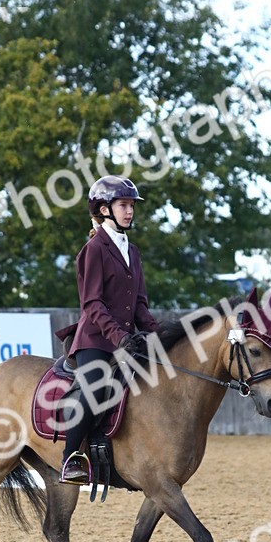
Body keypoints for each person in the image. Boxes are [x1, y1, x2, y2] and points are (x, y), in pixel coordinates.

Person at [59, 175, 158, 485]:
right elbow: (92, 304)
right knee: (95, 390)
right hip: (96, 341)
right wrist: (120, 338)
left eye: (131, 206)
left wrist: (159, 336)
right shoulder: (94, 249)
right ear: (104, 209)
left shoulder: (134, 251)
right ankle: (71, 458)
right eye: (124, 206)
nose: (130, 212)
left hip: (127, 340)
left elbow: (140, 305)